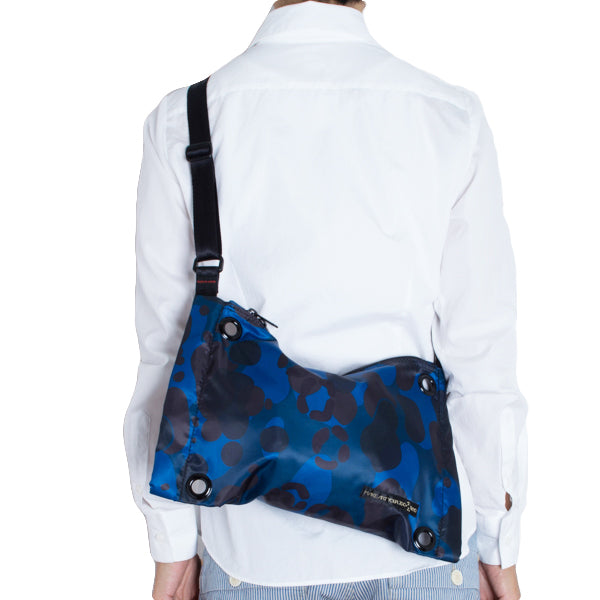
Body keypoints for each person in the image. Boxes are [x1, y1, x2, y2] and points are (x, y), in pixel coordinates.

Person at [123, 1, 528, 599]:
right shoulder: (449, 116)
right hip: (423, 553)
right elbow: (482, 360)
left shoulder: (185, 120)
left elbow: (168, 360)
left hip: (251, 561)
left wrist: (173, 550)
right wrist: (499, 546)